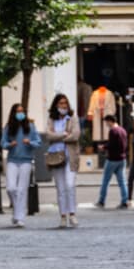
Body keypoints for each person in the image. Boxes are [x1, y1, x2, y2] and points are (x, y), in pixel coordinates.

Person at [42, 93, 81, 228]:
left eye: (65, 103)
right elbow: (48, 135)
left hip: (70, 157)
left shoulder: (73, 118)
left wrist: (58, 137)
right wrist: (62, 135)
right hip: (56, 157)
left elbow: (75, 135)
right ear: (56, 105)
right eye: (60, 103)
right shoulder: (52, 119)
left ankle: (72, 214)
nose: (63, 106)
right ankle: (63, 216)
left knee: (70, 185)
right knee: (60, 188)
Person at [0, 103, 42, 227]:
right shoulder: (8, 127)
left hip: (26, 160)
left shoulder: (31, 127)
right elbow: (3, 142)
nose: (20, 114)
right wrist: (9, 145)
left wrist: (30, 142)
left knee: (22, 190)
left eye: (22, 111)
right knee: (11, 188)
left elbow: (38, 142)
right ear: (13, 113)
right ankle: (17, 212)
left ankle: (19, 217)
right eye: (18, 111)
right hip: (12, 160)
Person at [95, 114, 129, 208]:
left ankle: (101, 201)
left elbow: (112, 145)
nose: (106, 124)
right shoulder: (123, 130)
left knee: (105, 181)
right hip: (122, 159)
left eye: (106, 122)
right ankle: (125, 201)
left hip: (112, 159)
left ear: (110, 121)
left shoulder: (113, 131)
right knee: (122, 182)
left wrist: (103, 147)